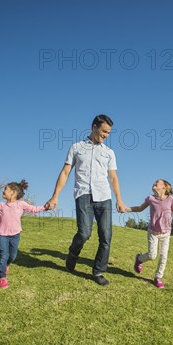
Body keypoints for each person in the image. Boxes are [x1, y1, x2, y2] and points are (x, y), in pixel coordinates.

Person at [44, 114, 126, 286]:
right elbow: (65, 172)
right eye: (103, 131)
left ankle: (98, 272)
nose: (106, 135)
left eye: (109, 133)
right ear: (94, 127)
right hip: (83, 195)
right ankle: (73, 253)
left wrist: (119, 199)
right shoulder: (77, 148)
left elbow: (113, 177)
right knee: (84, 233)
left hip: (104, 197)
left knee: (106, 236)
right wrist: (55, 196)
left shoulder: (109, 153)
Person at [126, 179, 173, 288]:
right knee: (152, 255)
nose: (154, 184)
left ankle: (158, 277)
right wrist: (126, 209)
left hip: (166, 233)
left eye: (157, 183)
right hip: (153, 232)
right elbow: (139, 208)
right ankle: (139, 259)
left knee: (163, 256)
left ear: (164, 187)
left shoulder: (171, 199)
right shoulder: (150, 199)